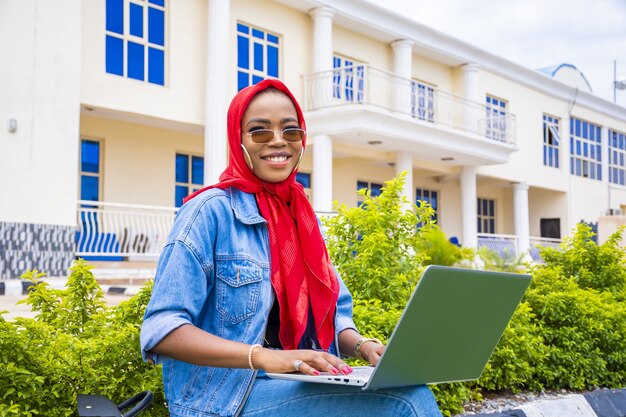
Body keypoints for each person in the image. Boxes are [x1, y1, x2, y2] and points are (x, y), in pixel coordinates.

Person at [140, 79, 443, 417]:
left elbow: (335, 317)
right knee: (405, 402)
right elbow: (161, 330)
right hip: (226, 397)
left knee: (404, 387)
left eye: (290, 131)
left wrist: (364, 346)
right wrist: (267, 356)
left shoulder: (301, 216)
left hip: (296, 381)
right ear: (237, 139)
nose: (278, 141)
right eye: (260, 132)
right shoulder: (208, 212)